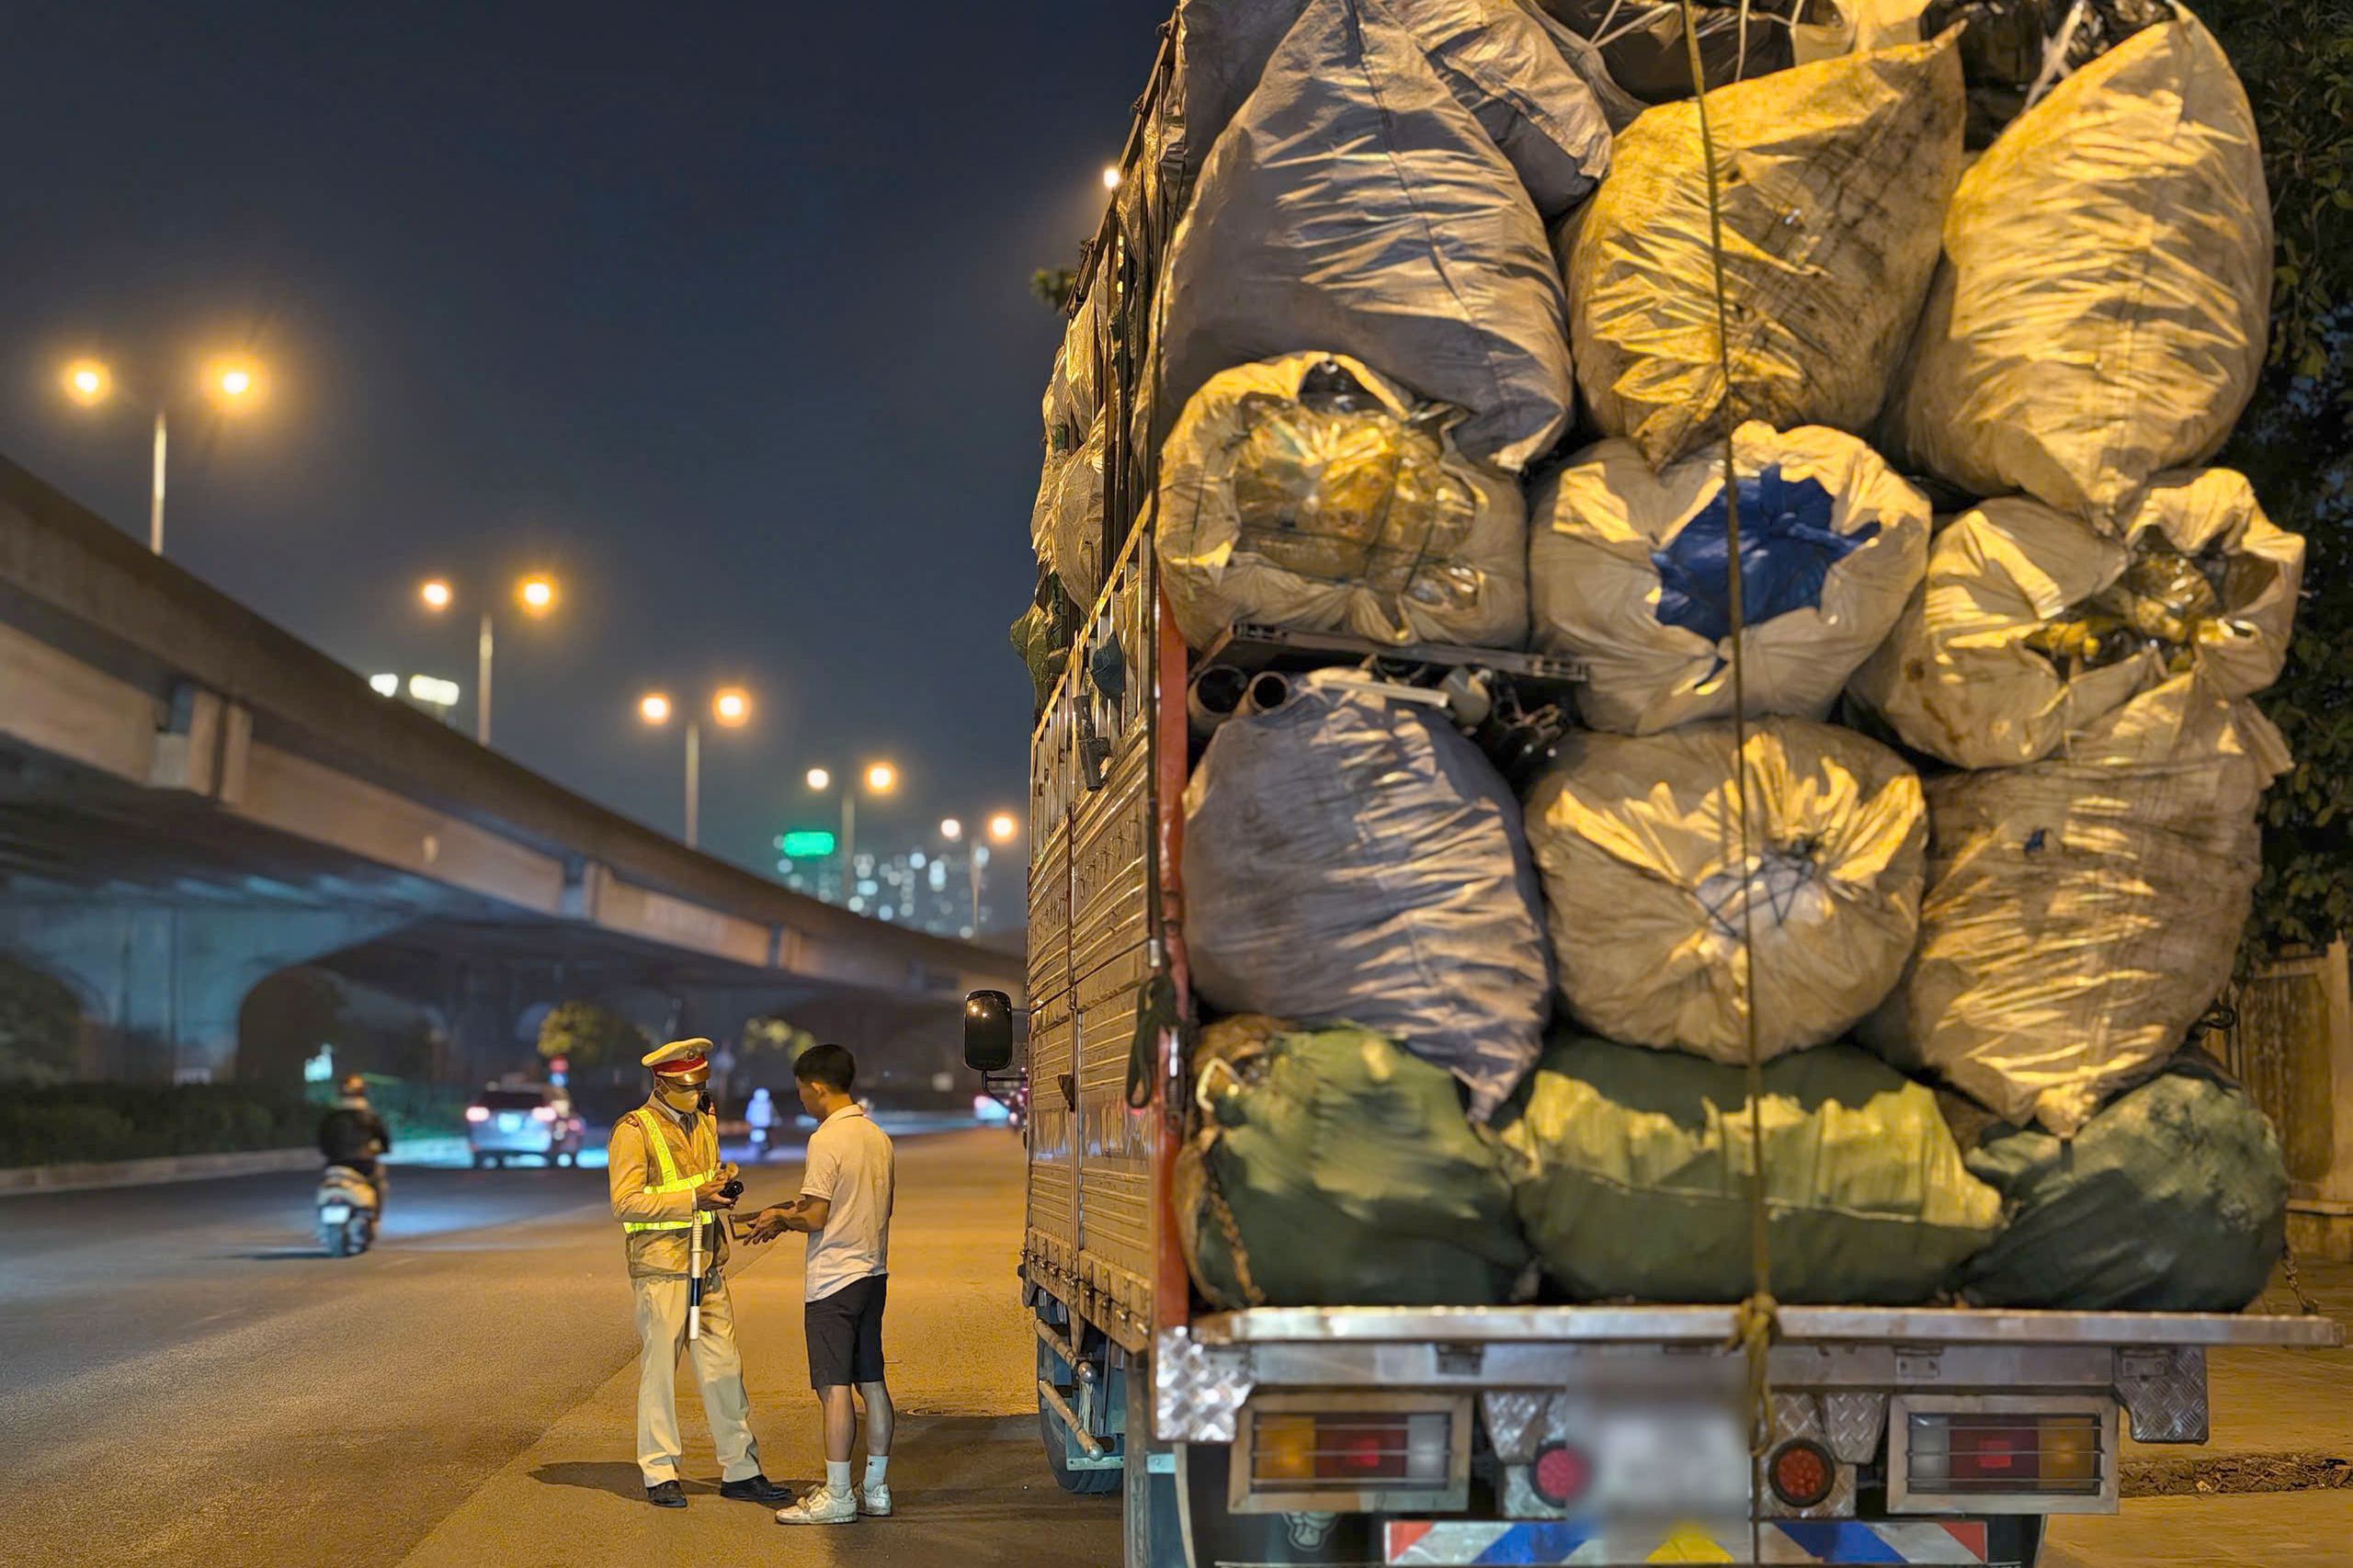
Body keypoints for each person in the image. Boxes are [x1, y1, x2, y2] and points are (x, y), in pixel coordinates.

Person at [608, 1038, 792, 1511]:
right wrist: (695, 1198)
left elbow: (703, 1176)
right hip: (662, 1267)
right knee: (660, 1374)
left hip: (707, 1261)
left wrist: (721, 1187)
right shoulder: (634, 1129)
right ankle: (659, 1471)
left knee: (725, 1369)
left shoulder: (704, 1119)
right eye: (685, 1086)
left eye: (700, 1084)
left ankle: (742, 1470)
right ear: (661, 1082)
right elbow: (625, 1202)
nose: (695, 1093)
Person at [745, 1042, 897, 1526]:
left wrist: (780, 1219)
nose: (801, 1102)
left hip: (834, 1280)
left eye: (801, 1092)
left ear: (816, 1087)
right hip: (873, 1273)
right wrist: (787, 1211)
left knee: (833, 1389)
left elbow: (815, 1215)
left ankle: (837, 1495)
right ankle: (875, 1489)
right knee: (871, 1382)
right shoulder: (877, 1136)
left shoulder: (826, 1139)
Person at [316, 1074, 391, 1216]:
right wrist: (384, 1149)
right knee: (378, 1182)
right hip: (364, 1163)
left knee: (326, 1183)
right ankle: (373, 1215)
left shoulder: (331, 1117)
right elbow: (383, 1137)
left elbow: (322, 1140)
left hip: (336, 1162)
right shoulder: (370, 1115)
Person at [745, 1085, 777, 1163]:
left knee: (768, 1138)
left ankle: (764, 1149)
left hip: (762, 1125)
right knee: (754, 1140)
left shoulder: (757, 1103)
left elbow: (772, 1113)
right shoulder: (766, 1103)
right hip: (759, 1125)